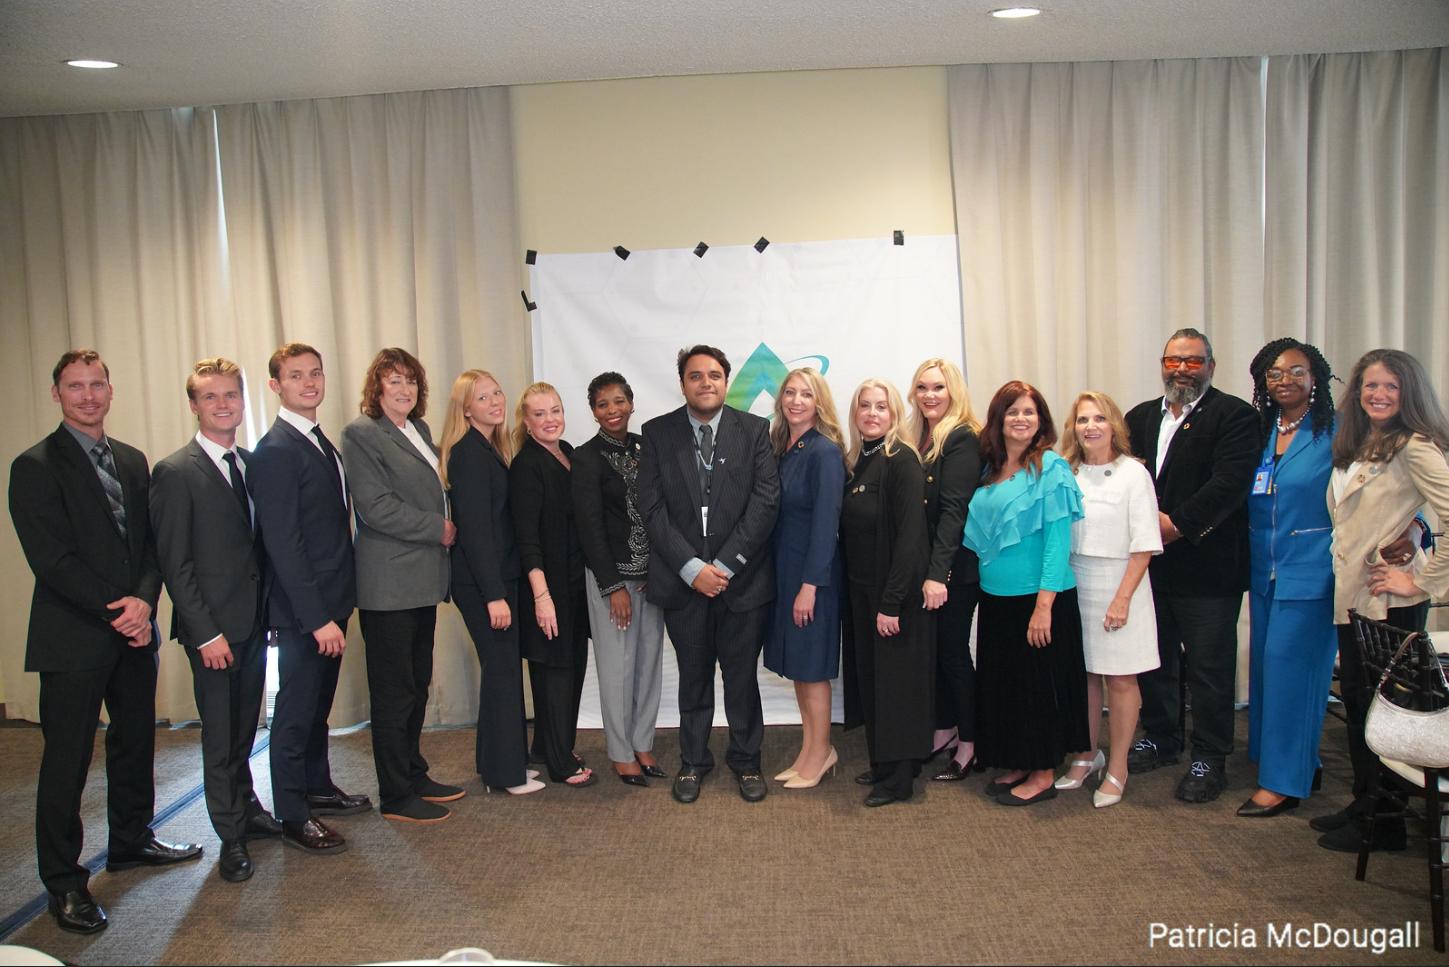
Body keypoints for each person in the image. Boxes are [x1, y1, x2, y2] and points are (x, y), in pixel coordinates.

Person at [10, 349, 201, 933]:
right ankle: (64, 884)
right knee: (67, 762)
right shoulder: (35, 465)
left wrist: (144, 601)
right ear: (57, 394)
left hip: (133, 630)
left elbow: (149, 544)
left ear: (110, 391)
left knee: (135, 739)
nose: (88, 395)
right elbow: (52, 559)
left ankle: (130, 839)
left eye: (97, 385)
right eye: (75, 386)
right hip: (73, 636)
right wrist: (117, 610)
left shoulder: (132, 460)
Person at [151, 358, 279, 883]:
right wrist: (205, 632)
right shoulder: (176, 472)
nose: (223, 404)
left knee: (246, 728)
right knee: (220, 736)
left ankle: (247, 807)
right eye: (211, 397)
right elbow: (175, 564)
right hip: (213, 633)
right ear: (194, 405)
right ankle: (230, 835)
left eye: (231, 395)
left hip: (251, 624)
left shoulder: (248, 463)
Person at [1317, 348, 1449, 852]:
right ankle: (1364, 801)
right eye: (1371, 386)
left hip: (1387, 603)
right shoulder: (1362, 444)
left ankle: (1386, 820)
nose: (1379, 395)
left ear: (1408, 393)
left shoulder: (1415, 446)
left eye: (1391, 387)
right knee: (1358, 702)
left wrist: (1420, 583)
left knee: (1383, 708)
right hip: (1355, 597)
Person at [637, 344, 781, 805]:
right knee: (693, 679)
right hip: (684, 586)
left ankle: (746, 761)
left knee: (741, 679)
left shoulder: (756, 430)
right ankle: (694, 762)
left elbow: (765, 502)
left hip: (742, 583)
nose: (706, 383)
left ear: (726, 381)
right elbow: (651, 507)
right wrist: (691, 568)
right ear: (682, 384)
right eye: (696, 376)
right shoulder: (656, 433)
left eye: (714, 375)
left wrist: (723, 565)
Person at [1123, 328, 1259, 803]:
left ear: (1211, 367)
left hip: (1208, 568)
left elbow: (1229, 485)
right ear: (1162, 365)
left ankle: (1210, 755)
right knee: (1155, 661)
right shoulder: (1139, 416)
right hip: (1149, 569)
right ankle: (1162, 737)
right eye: (1174, 360)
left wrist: (1174, 525)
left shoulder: (1236, 416)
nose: (1182, 369)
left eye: (1193, 361)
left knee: (1209, 669)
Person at [248, 342, 371, 855]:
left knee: (318, 705)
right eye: (296, 376)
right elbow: (283, 545)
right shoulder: (275, 450)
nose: (310, 383)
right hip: (306, 612)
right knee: (295, 711)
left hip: (332, 602)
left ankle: (318, 786)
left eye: (316, 373)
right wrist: (318, 617)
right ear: (276, 385)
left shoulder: (320, 440)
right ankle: (293, 813)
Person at [341, 348, 464, 824]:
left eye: (410, 380)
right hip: (388, 584)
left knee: (415, 685)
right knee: (393, 693)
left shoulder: (420, 431)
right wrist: (439, 528)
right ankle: (395, 794)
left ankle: (414, 772)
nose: (404, 389)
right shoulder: (361, 434)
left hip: (422, 581)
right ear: (376, 387)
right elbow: (375, 506)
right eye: (393, 381)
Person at [962, 380, 1088, 806]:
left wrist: (1044, 606)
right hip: (996, 599)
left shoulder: (1050, 468)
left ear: (1041, 421)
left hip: (1039, 600)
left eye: (1029, 412)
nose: (1020, 419)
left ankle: (1043, 773)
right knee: (1008, 688)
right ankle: (1020, 760)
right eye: (1012, 411)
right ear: (998, 419)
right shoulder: (988, 468)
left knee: (1038, 690)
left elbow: (1057, 543)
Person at [1235, 339, 1340, 819]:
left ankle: (1283, 783)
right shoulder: (1260, 429)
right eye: (1275, 373)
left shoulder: (1336, 433)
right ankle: (1299, 762)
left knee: (1291, 672)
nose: (1285, 381)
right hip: (1264, 571)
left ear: (1315, 377)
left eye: (1297, 371)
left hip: (1312, 569)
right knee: (1265, 670)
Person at [440, 370, 543, 796]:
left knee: (501, 671)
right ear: (466, 409)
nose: (495, 402)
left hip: (499, 579)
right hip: (485, 585)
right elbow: (477, 532)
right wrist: (495, 596)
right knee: (501, 672)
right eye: (483, 398)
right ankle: (505, 776)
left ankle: (501, 762)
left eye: (497, 393)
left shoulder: (490, 449)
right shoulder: (467, 454)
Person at [1056, 391, 1162, 808]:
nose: (1090, 427)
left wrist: (1122, 599)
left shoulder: (1134, 474)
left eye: (1099, 418)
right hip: (1076, 580)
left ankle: (1118, 765)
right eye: (1083, 420)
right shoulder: (1068, 472)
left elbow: (1144, 545)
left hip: (1122, 584)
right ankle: (1086, 754)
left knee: (1120, 678)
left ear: (1114, 425)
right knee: (1083, 676)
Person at [839, 378, 934, 806]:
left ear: (894, 413)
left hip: (892, 597)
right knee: (874, 683)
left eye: (881, 406)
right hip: (862, 593)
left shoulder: (902, 461)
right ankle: (887, 763)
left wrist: (891, 602)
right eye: (865, 406)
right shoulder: (860, 460)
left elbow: (911, 539)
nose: (872, 413)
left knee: (896, 687)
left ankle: (899, 780)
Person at [571, 372, 667, 787]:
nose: (612, 411)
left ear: (631, 403)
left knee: (649, 664)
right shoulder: (586, 458)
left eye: (618, 402)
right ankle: (620, 751)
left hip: (652, 580)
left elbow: (664, 511)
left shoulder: (649, 450)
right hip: (611, 583)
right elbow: (589, 527)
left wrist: (658, 571)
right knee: (616, 668)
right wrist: (612, 587)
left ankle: (643, 742)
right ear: (592, 411)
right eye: (602, 404)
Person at [763, 367, 846, 789]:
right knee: (799, 668)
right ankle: (810, 749)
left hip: (814, 580)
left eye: (806, 395)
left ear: (819, 403)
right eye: (790, 393)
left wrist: (810, 587)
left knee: (813, 670)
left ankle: (822, 752)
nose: (796, 401)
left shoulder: (824, 452)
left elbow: (826, 524)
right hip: (786, 574)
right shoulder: (785, 447)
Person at [511, 382, 595, 787]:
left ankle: (547, 745)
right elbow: (526, 539)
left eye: (556, 410)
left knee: (571, 668)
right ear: (526, 423)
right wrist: (541, 597)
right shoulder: (528, 466)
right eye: (540, 414)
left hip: (575, 586)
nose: (550, 420)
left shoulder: (570, 455)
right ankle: (561, 762)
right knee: (556, 673)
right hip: (548, 590)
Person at [907, 357, 984, 781]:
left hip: (954, 569)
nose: (930, 395)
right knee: (936, 654)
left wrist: (938, 574)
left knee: (954, 654)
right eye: (922, 388)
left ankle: (970, 742)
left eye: (938, 387)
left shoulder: (961, 438)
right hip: (929, 568)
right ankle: (944, 728)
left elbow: (955, 511)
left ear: (953, 391)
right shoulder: (919, 436)